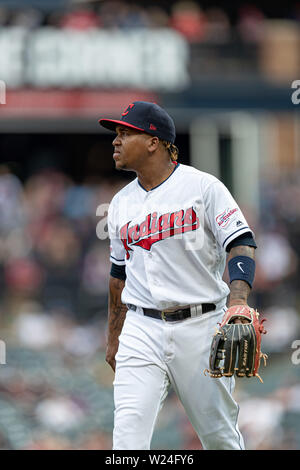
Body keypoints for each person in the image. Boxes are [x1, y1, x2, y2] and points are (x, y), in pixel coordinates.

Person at [99, 101, 257, 450]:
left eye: (125, 133)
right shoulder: (121, 203)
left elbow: (241, 241)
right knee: (127, 439)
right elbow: (117, 275)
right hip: (142, 328)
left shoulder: (203, 187)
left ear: (154, 141)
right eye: (117, 134)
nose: (116, 140)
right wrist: (114, 337)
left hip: (200, 324)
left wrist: (239, 301)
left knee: (219, 438)